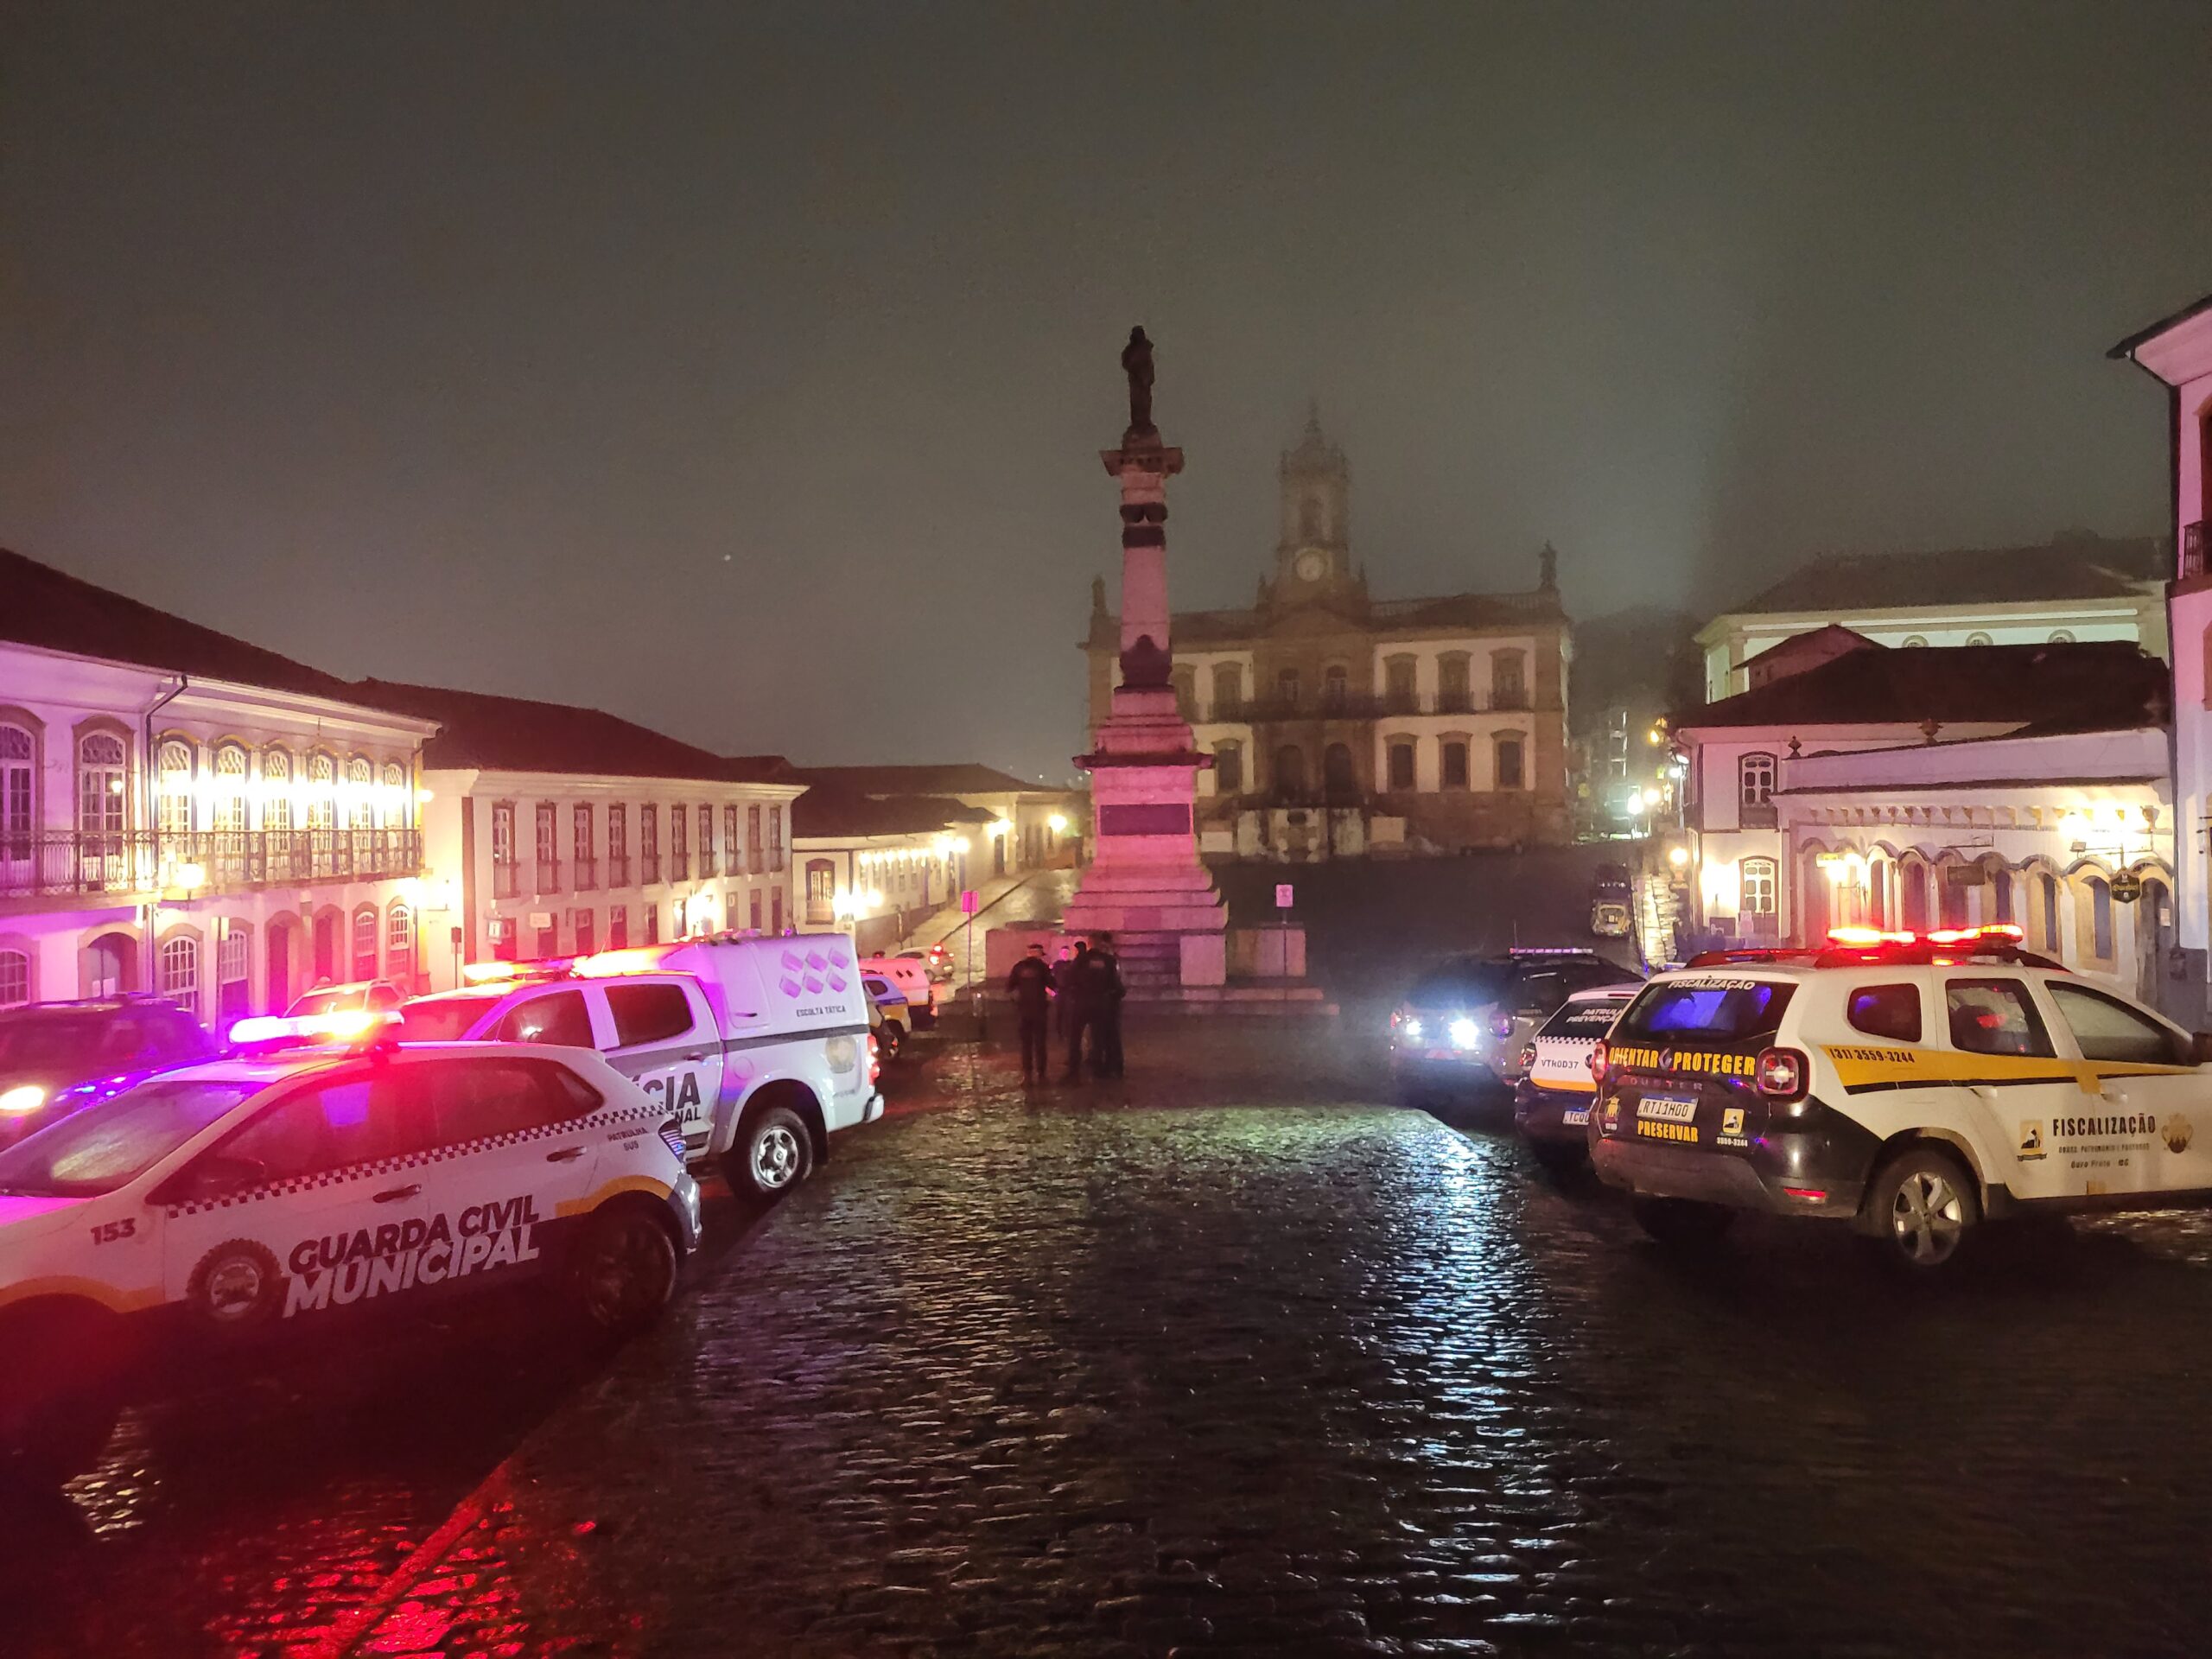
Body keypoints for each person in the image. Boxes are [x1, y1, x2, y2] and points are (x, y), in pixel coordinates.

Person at [1005, 943, 1055, 1085]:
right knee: (1040, 1044)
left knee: (1026, 1045)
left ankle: (1027, 1076)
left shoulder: (1018, 967)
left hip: (1023, 1011)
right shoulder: (1042, 967)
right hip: (1039, 1010)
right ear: (1038, 954)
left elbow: (1009, 987)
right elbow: (1052, 984)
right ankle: (1042, 1075)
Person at [1084, 931, 1126, 1079]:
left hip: (1097, 1002)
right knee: (1111, 1035)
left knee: (1099, 1035)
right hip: (1109, 1002)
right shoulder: (1112, 960)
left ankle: (1101, 1065)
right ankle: (1113, 1065)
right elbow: (1120, 985)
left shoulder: (1091, 961)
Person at [1058, 939, 1094, 1082]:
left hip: (1078, 1004)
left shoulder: (1075, 965)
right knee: (1096, 1035)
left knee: (1075, 1038)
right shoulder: (1094, 963)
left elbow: (1066, 982)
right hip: (1094, 1003)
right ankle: (1096, 1063)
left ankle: (1074, 1069)